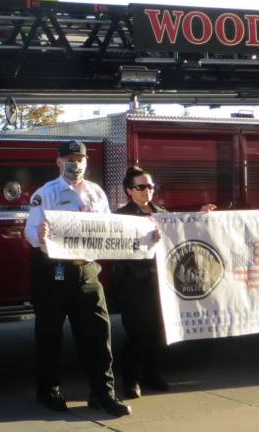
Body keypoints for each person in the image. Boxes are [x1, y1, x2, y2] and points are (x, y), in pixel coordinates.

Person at [24, 140, 131, 417]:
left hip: (87, 271)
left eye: (80, 159)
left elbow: (108, 228)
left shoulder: (96, 193)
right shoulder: (45, 193)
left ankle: (103, 393)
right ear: (58, 162)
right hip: (54, 272)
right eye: (69, 159)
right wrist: (41, 235)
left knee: (98, 334)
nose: (75, 164)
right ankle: (48, 391)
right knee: (50, 335)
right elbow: (30, 230)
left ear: (86, 161)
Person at [111, 167, 168, 399]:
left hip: (160, 283)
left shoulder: (162, 213)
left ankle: (152, 374)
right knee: (137, 333)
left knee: (158, 332)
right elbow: (117, 250)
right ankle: (130, 381)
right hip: (134, 285)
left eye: (151, 186)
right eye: (141, 187)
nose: (147, 191)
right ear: (129, 190)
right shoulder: (120, 216)